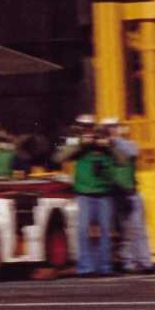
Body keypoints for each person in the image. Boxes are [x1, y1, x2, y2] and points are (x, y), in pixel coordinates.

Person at [66, 118, 121, 276]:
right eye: (84, 127)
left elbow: (123, 160)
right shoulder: (79, 146)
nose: (88, 130)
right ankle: (86, 267)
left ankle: (105, 267)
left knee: (105, 232)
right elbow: (59, 157)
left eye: (90, 127)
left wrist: (109, 146)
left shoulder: (106, 148)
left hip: (104, 194)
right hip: (84, 194)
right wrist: (81, 145)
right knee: (83, 230)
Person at [103, 119, 155, 273]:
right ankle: (129, 263)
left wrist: (115, 140)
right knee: (123, 232)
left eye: (113, 127)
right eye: (108, 128)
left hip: (130, 194)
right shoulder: (104, 150)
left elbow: (132, 153)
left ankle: (145, 262)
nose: (111, 130)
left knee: (138, 229)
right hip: (115, 195)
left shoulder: (127, 145)